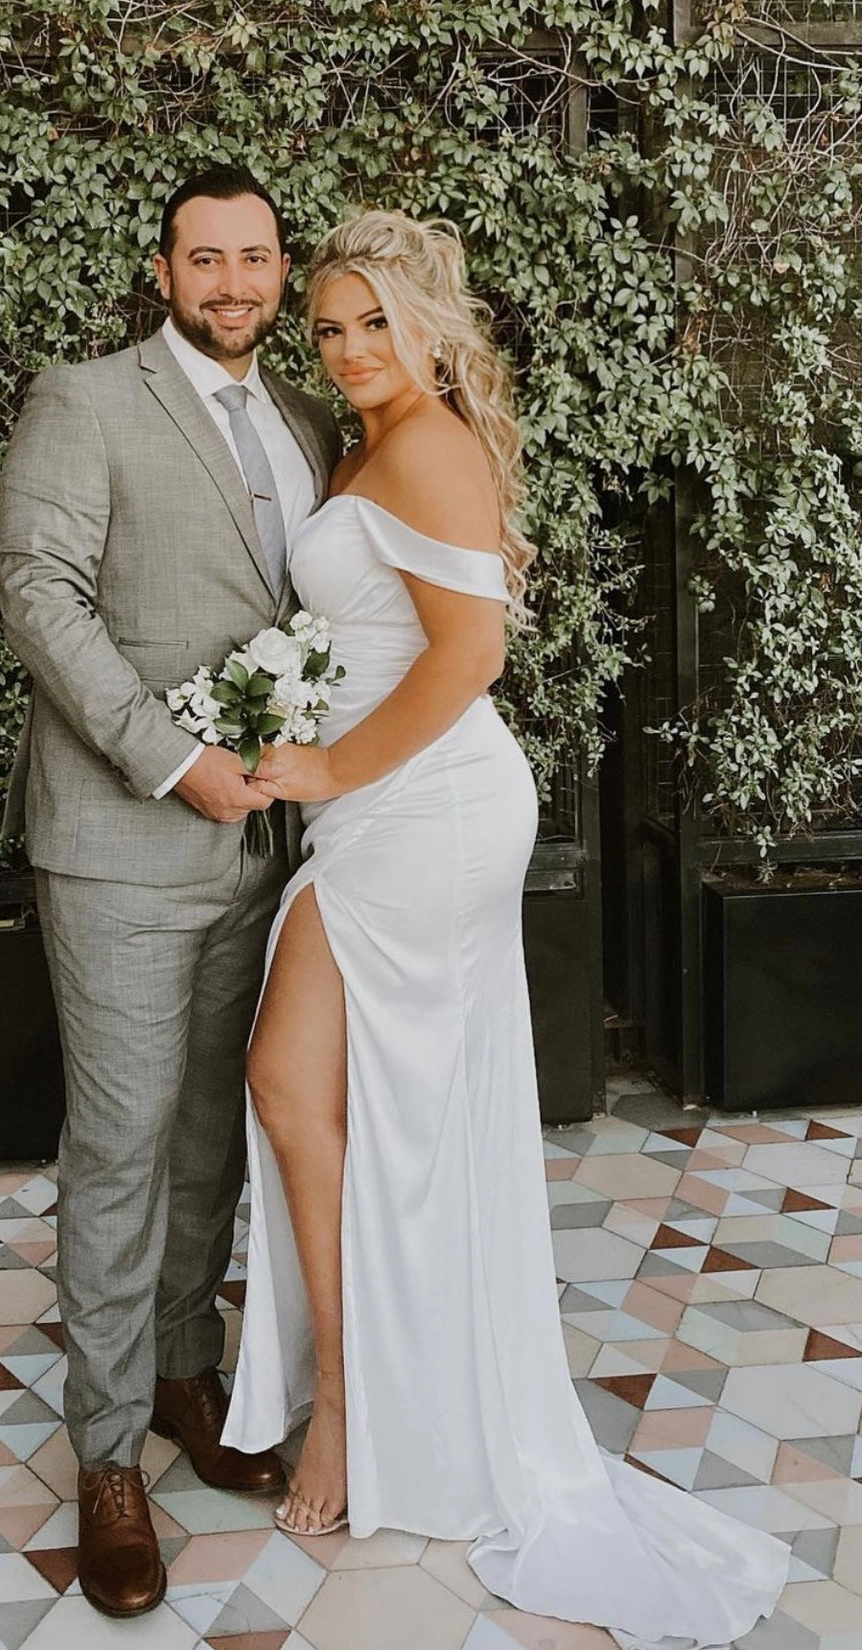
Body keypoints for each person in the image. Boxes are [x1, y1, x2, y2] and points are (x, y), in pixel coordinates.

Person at [220, 209, 791, 1648]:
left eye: (373, 322)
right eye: (329, 328)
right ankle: (381, 1389)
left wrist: (330, 766)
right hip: (383, 806)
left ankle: (352, 1403)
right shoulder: (371, 442)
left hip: (427, 804)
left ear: (427, 326)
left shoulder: (426, 444)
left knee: (306, 1087)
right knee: (348, 1102)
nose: (348, 349)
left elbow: (469, 654)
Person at [0, 165, 341, 1619]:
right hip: (124, 842)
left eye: (256, 258)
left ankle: (188, 1373)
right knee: (123, 1144)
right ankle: (104, 1452)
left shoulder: (310, 419)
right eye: (208, 259)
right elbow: (37, 592)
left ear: (280, 270)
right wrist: (173, 758)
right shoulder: (85, 401)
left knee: (210, 1134)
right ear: (163, 271)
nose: (234, 284)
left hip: (262, 852)